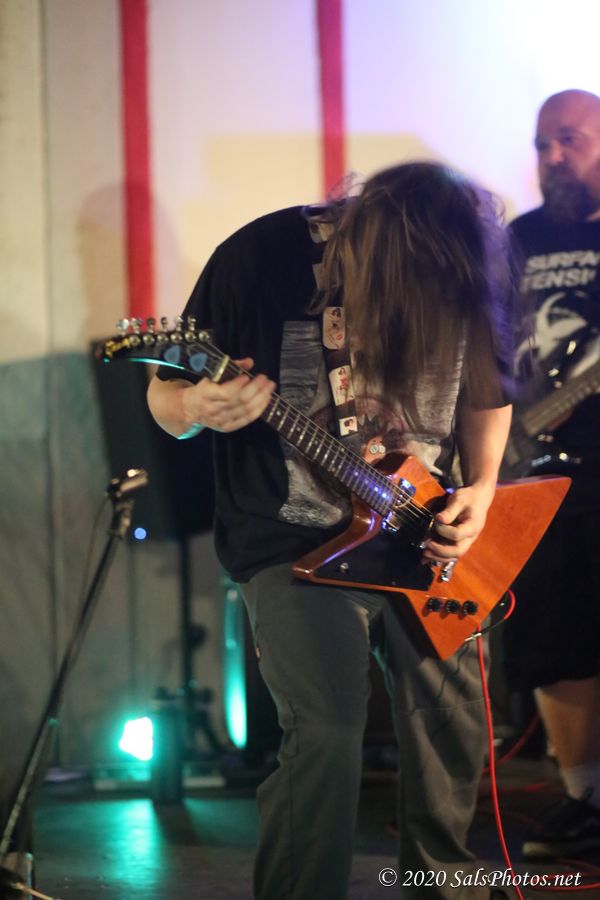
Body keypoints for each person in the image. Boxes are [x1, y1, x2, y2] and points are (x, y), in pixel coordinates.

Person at [147, 161, 515, 899]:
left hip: (420, 531)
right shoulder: (258, 257)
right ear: (374, 244)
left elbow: (488, 391)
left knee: (450, 724)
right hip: (291, 539)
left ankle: (445, 885)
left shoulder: (465, 268)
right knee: (327, 731)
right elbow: (165, 392)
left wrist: (481, 490)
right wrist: (194, 409)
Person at [503, 89, 600, 860]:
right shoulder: (518, 239)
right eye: (543, 144)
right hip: (537, 467)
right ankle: (582, 799)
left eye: (570, 140)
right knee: (553, 633)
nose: (553, 157)